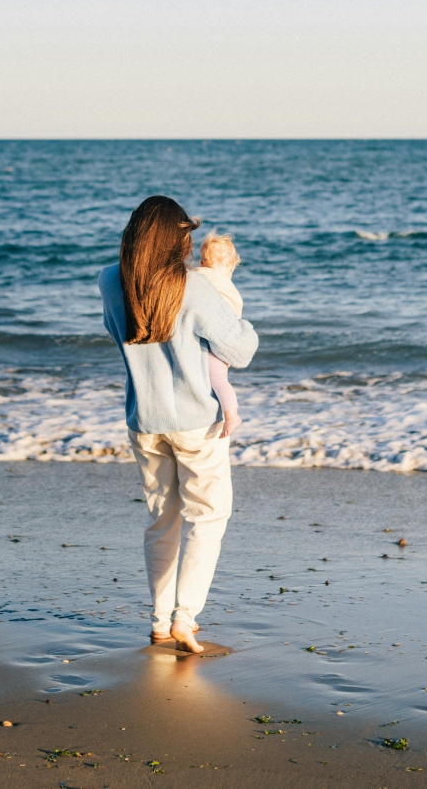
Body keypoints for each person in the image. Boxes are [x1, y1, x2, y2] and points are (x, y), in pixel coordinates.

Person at [99, 196, 258, 653]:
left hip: (144, 419)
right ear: (177, 238)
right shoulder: (195, 287)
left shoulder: (109, 279)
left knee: (161, 519)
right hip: (195, 422)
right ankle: (184, 617)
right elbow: (240, 351)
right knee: (207, 517)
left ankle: (158, 621)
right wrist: (230, 299)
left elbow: (116, 330)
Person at [195, 232, 244, 438]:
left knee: (215, 377)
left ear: (202, 263)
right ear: (232, 266)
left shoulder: (197, 277)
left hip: (210, 340)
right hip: (220, 339)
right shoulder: (227, 287)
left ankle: (231, 415)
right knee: (218, 377)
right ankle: (229, 414)